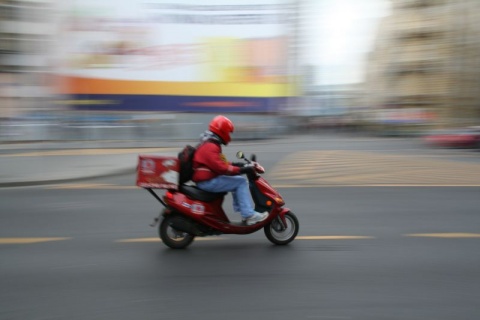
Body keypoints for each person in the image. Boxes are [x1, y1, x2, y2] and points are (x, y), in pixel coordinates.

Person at [192, 115, 268, 225]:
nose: (229, 136)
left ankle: (244, 211)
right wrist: (242, 170)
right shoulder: (211, 146)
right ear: (222, 131)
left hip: (207, 179)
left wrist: (241, 165)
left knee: (237, 180)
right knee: (240, 182)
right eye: (228, 132)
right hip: (207, 182)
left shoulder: (210, 143)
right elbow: (222, 168)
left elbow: (222, 163)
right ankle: (248, 215)